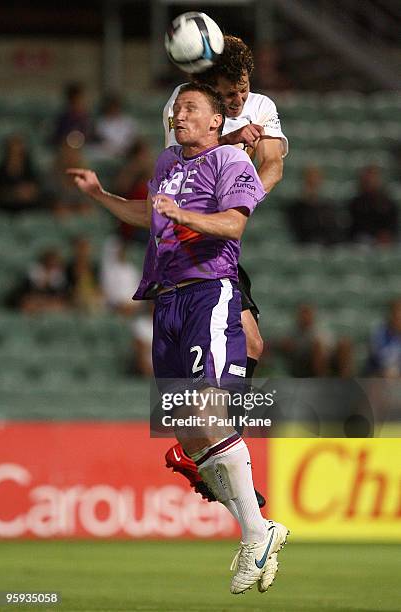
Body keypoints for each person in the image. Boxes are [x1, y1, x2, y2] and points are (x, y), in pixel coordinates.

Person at [68, 83, 289, 595]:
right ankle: (261, 530)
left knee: (208, 416)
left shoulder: (231, 163)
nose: (179, 114)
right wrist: (100, 195)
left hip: (207, 294)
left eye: (191, 108)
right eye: (177, 108)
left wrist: (183, 215)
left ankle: (257, 532)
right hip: (165, 301)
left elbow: (234, 224)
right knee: (187, 437)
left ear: (217, 121)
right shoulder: (168, 161)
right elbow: (150, 215)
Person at [162, 35, 287, 506]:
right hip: (189, 245)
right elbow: (179, 166)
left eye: (242, 89)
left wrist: (244, 198)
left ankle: (203, 450)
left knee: (253, 343)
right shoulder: (187, 108)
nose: (238, 101)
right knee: (233, 351)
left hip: (223, 244)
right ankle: (207, 448)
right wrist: (231, 144)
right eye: (229, 94)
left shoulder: (261, 105)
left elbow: (273, 164)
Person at [286, 165, 343, 245]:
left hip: (326, 247)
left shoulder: (328, 207)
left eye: (315, 181)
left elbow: (333, 232)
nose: (313, 184)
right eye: (310, 181)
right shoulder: (296, 208)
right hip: (304, 247)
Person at [347, 165, 399, 245]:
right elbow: (355, 228)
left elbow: (392, 225)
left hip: (386, 241)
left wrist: (386, 235)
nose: (370, 182)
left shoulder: (388, 203)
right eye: (367, 179)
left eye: (373, 178)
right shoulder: (355, 203)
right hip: (362, 240)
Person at [0, 134, 42, 214]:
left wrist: (31, 192)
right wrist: (15, 193)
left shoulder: (31, 171)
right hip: (4, 213)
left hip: (28, 213)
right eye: (13, 152)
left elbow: (37, 192)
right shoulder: (1, 172)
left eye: (19, 153)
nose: (16, 157)